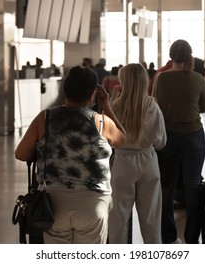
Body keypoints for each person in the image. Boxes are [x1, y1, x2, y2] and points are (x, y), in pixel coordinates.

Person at [15, 66, 126, 244]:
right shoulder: (101, 121)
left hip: (53, 204)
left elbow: (21, 154)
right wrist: (106, 106)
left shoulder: (45, 118)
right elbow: (122, 139)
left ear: (65, 90)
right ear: (93, 93)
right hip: (93, 203)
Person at [154, 39, 205, 244]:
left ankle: (168, 238)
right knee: (193, 186)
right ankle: (192, 238)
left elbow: (155, 105)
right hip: (193, 135)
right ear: (189, 56)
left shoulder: (161, 78)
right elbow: (203, 106)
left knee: (166, 188)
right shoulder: (197, 78)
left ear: (171, 56)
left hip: (167, 138)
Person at [108, 63, 167, 244]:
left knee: (118, 218)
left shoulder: (116, 107)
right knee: (151, 219)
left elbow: (108, 137)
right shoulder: (153, 107)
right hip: (148, 161)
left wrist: (111, 100)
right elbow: (161, 142)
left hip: (122, 162)